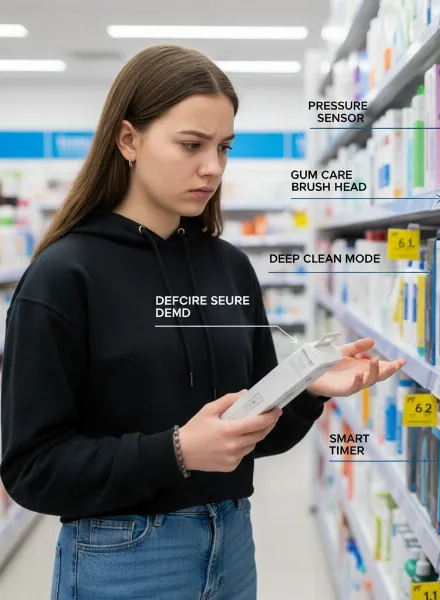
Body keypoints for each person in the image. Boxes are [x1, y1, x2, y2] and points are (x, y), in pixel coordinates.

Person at [0, 45, 404, 600]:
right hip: (124, 558)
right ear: (128, 140)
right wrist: (177, 450)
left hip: (232, 542)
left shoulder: (230, 268)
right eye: (191, 145)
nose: (212, 167)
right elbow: (32, 469)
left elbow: (252, 437)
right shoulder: (63, 276)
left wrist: (307, 390)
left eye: (223, 147)